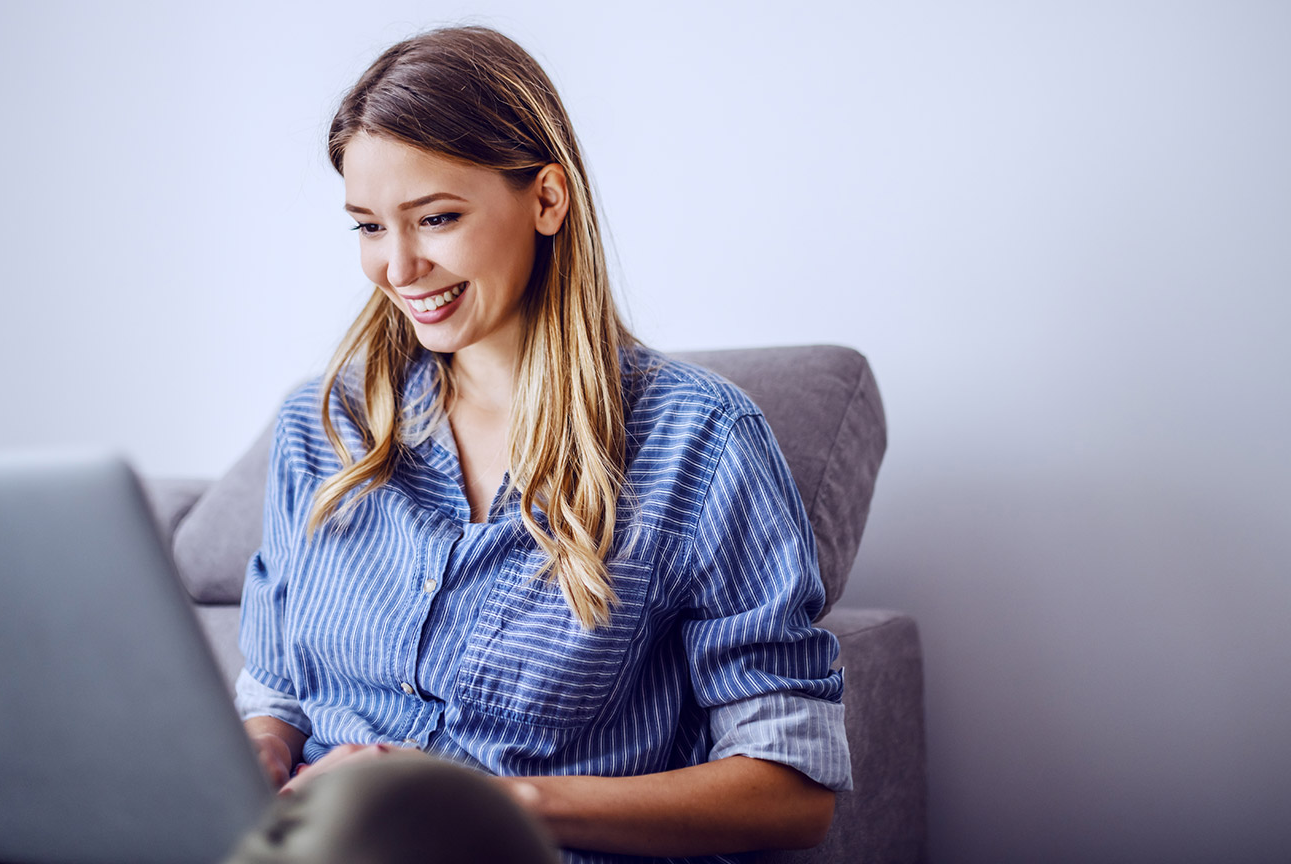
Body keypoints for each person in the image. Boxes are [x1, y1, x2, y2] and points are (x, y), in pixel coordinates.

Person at [231, 25, 851, 864]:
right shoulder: (321, 425)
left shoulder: (701, 443)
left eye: (436, 218)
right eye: (369, 228)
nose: (398, 267)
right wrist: (259, 753)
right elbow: (276, 694)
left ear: (547, 200)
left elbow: (792, 791)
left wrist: (495, 804)